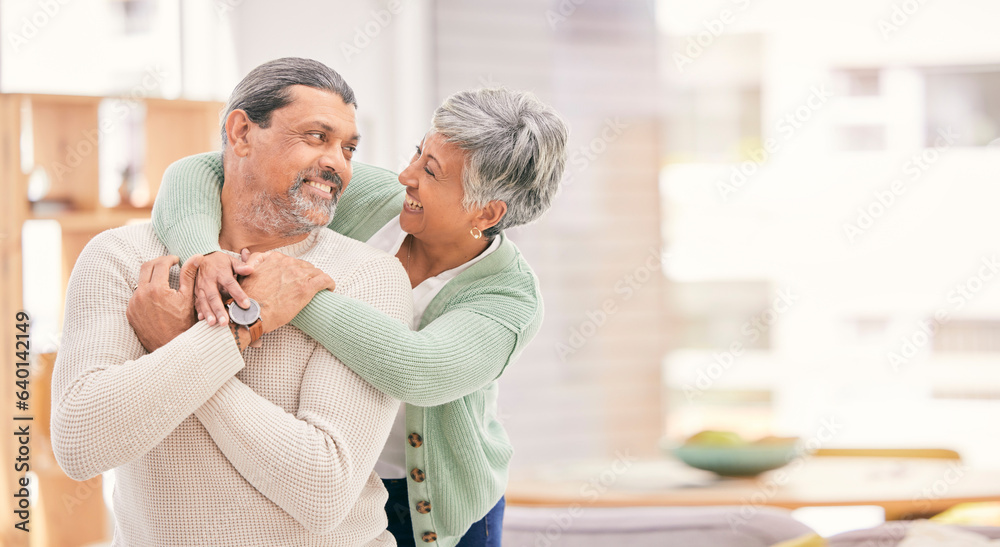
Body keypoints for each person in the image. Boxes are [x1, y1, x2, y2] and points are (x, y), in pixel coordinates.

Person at [151, 85, 568, 546]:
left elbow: (418, 370)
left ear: (487, 212)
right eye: (418, 152)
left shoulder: (509, 299)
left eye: (430, 171)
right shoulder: (374, 200)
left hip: (433, 508)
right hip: (336, 480)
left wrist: (294, 296)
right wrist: (205, 258)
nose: (405, 175)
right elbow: (203, 169)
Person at [51, 58, 413, 546]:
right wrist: (237, 334)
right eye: (316, 137)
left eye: (348, 148)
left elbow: (324, 490)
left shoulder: (368, 276)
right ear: (241, 133)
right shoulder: (122, 258)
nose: (339, 163)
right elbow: (81, 444)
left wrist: (179, 343)